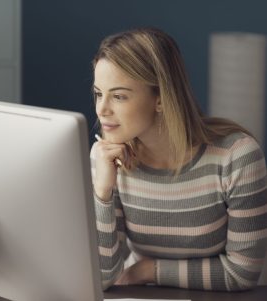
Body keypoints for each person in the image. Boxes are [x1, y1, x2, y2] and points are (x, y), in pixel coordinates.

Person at [91, 27, 267, 291]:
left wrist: (148, 270)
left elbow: (242, 272)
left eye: (118, 96)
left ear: (160, 99)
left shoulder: (236, 156)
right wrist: (102, 193)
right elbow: (102, 277)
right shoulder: (107, 158)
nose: (102, 109)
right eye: (98, 93)